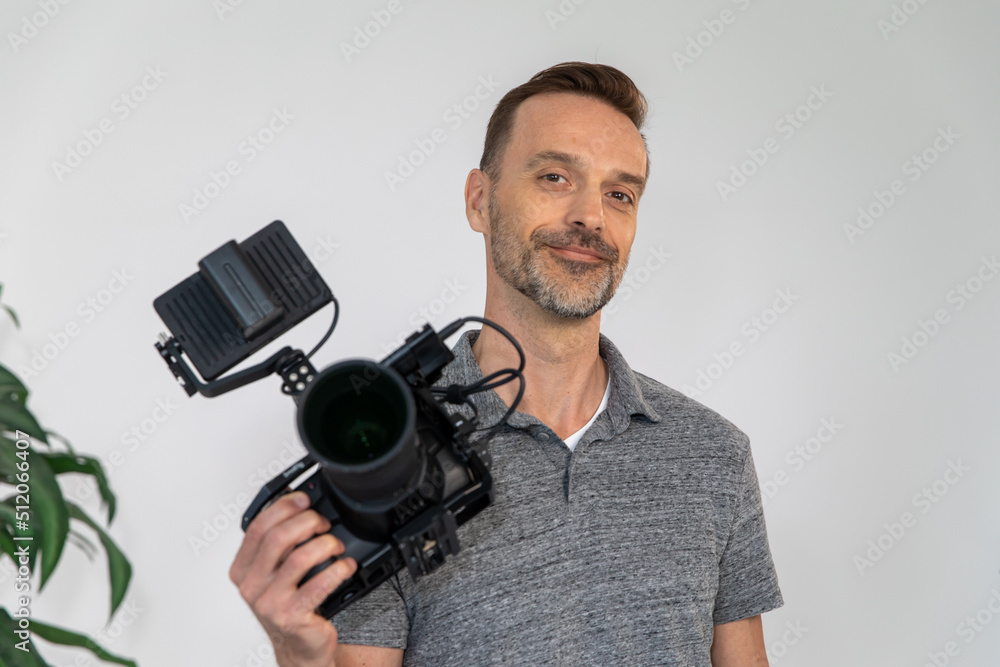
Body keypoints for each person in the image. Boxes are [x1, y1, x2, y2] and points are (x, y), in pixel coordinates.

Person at [229, 61, 783, 666]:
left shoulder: (714, 454)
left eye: (619, 194)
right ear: (479, 201)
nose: (591, 216)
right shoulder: (388, 455)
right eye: (554, 176)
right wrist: (298, 654)